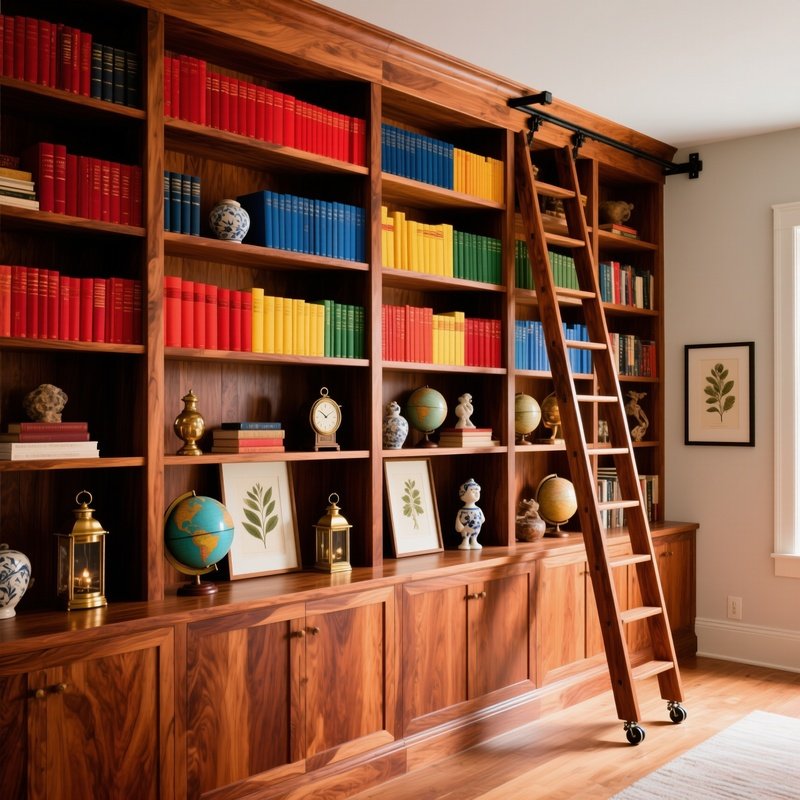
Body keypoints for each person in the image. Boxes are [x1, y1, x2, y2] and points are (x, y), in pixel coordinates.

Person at [455, 478, 484, 549]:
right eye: (473, 492)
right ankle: (465, 541)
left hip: (476, 528)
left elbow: (482, 519)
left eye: (478, 492)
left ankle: (474, 541)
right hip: (465, 529)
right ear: (463, 493)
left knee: (474, 535)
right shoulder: (462, 510)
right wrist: (459, 526)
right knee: (465, 535)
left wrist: (480, 521)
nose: (477, 493)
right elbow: (458, 519)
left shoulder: (478, 509)